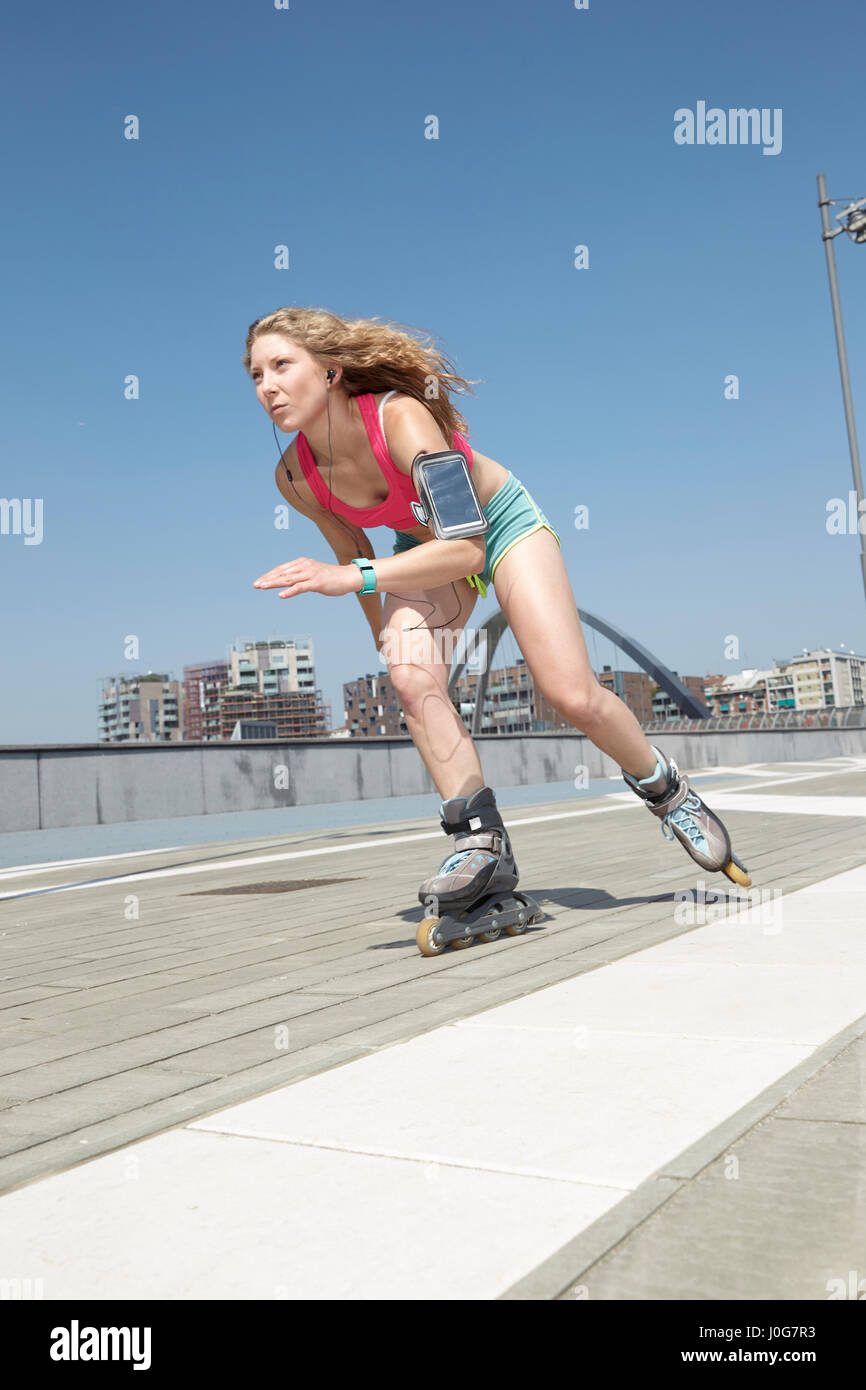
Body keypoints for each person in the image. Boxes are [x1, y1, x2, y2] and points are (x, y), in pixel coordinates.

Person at [249, 307, 750, 935]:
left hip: (498, 526)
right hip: (423, 550)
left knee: (570, 693)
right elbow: (354, 556)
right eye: (255, 375)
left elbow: (467, 548)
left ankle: (666, 789)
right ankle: (479, 843)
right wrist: (385, 632)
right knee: (409, 681)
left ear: (330, 371)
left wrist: (356, 578)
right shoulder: (294, 476)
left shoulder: (399, 417)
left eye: (281, 365)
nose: (266, 386)